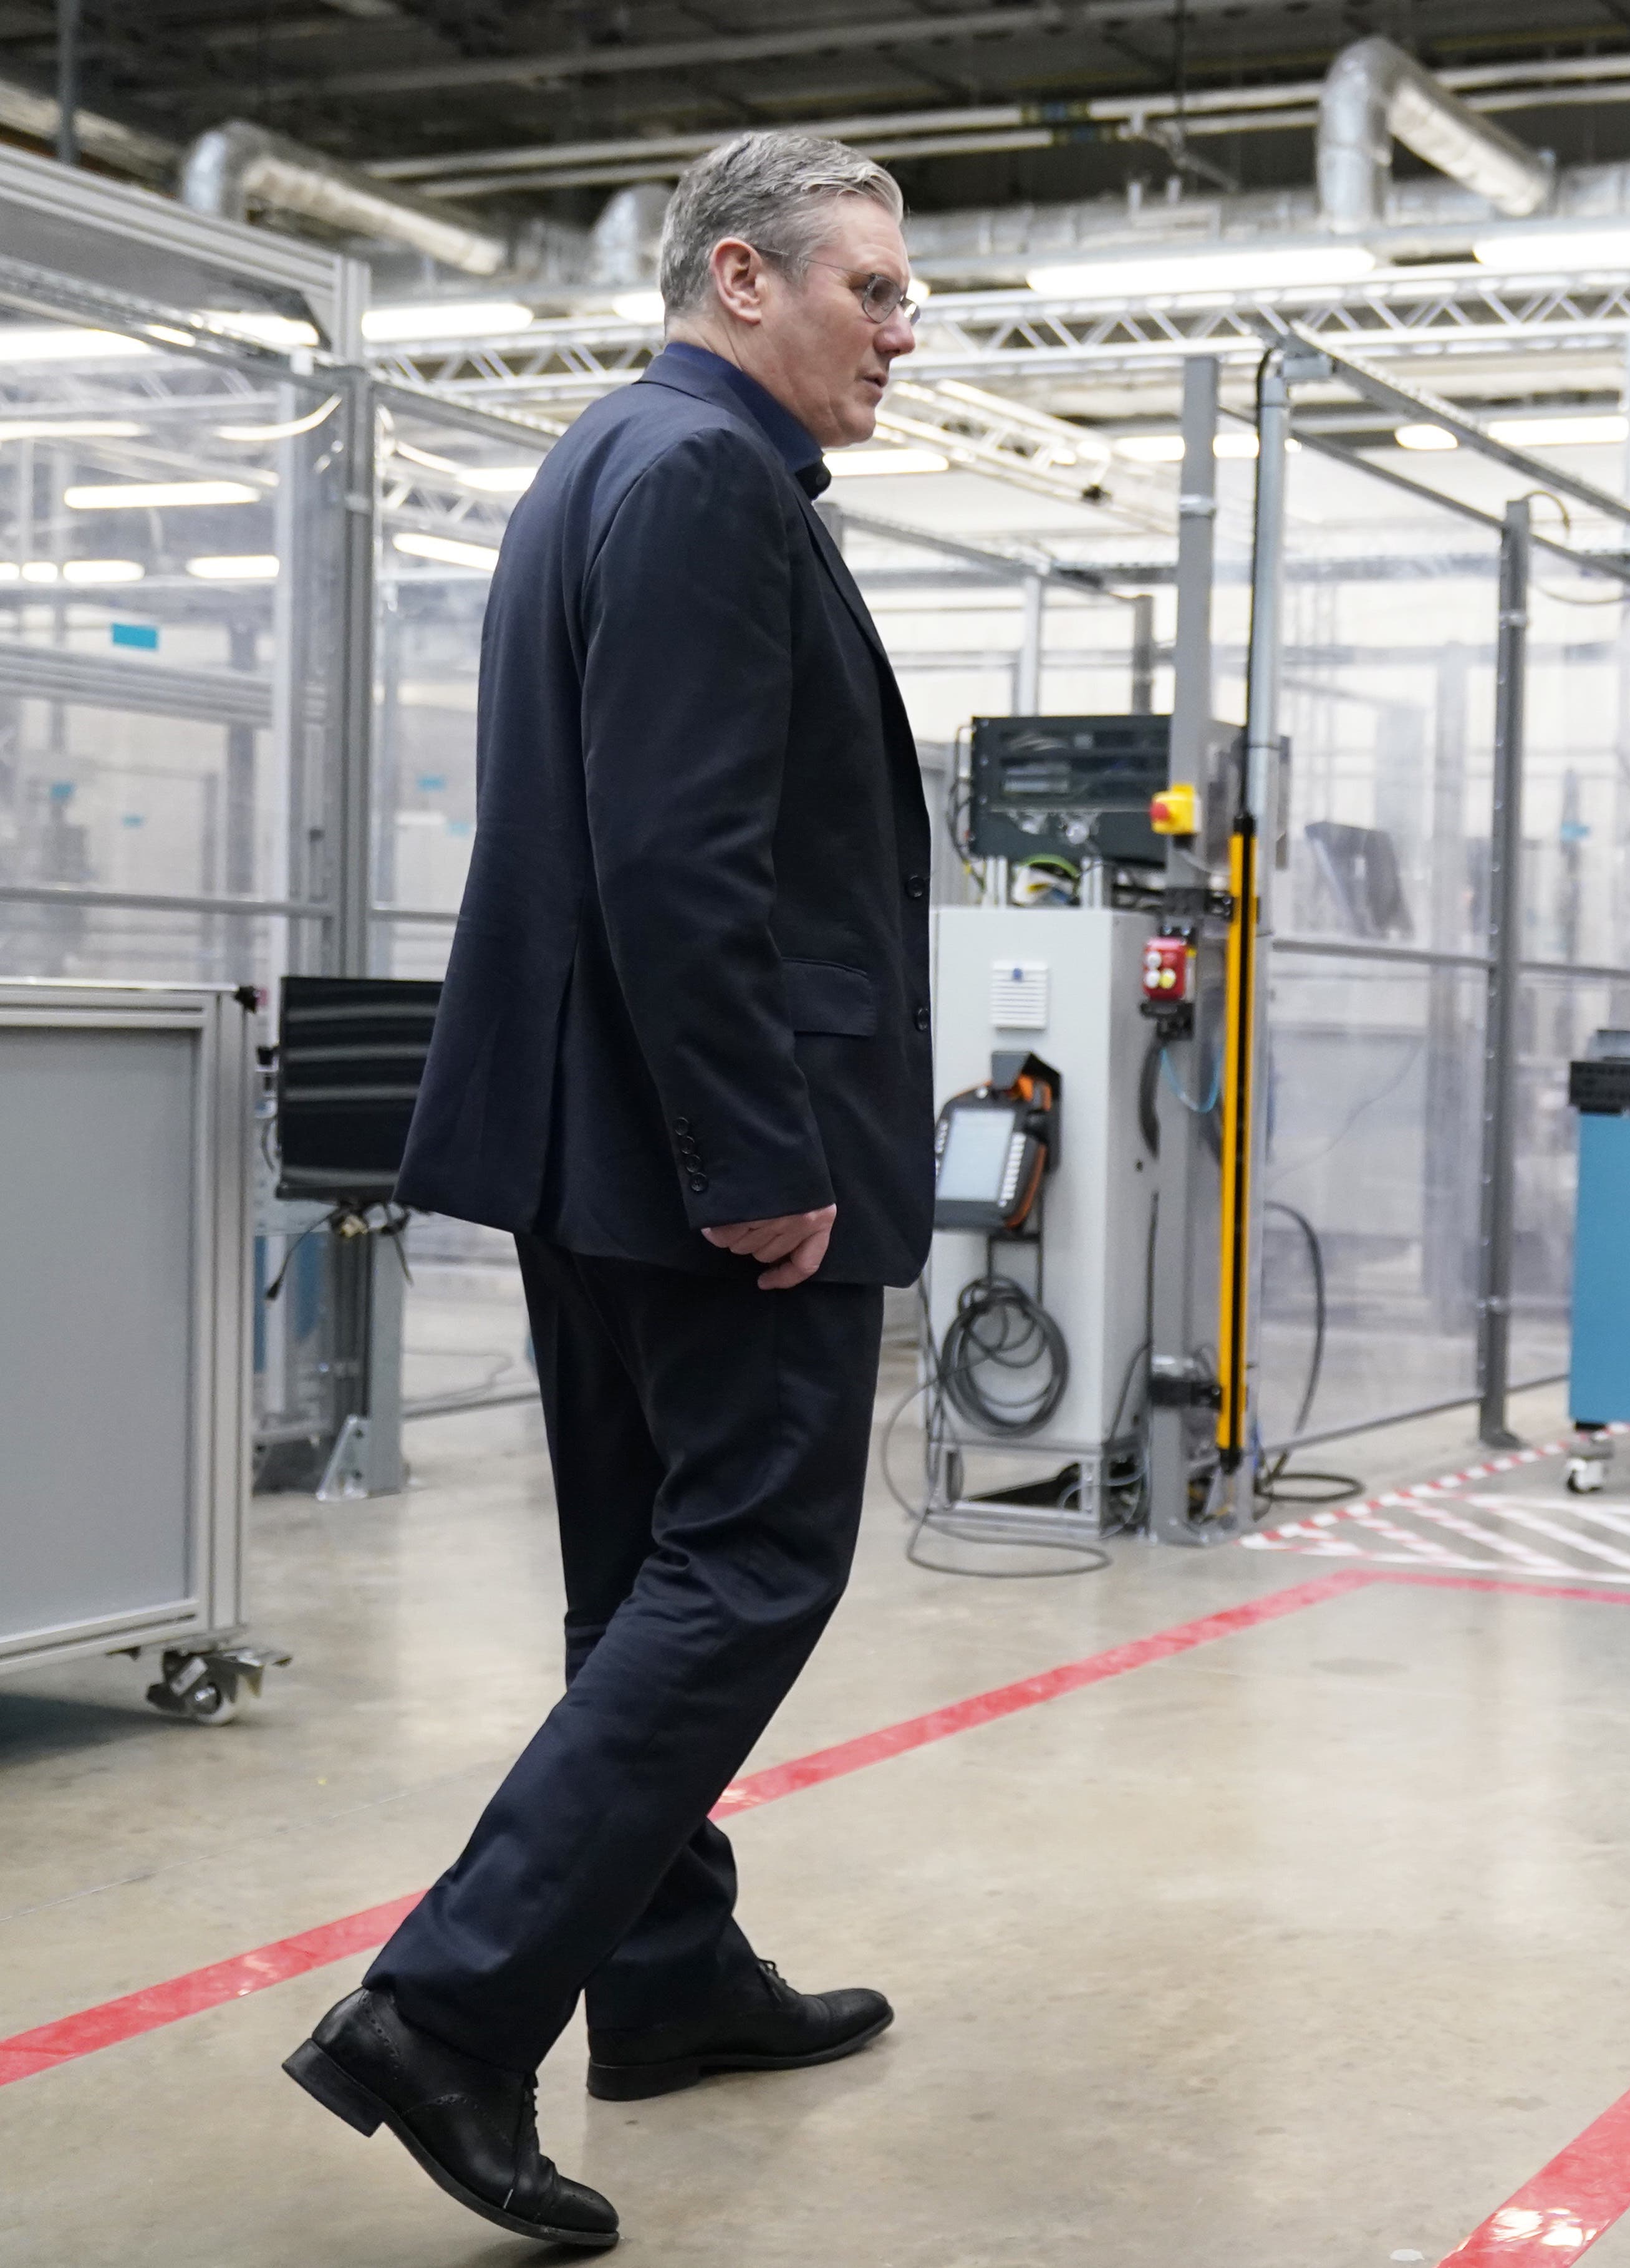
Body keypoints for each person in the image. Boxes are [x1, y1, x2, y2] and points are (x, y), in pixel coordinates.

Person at [282, 130, 935, 2250]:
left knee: (642, 1573)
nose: (900, 333)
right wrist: (762, 1161)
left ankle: (661, 1974)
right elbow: (679, 857)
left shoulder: (617, 461)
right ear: (742, 280)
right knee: (746, 1569)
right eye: (871, 292)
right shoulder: (703, 482)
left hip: (603, 1144)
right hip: (707, 1161)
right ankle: (452, 2011)